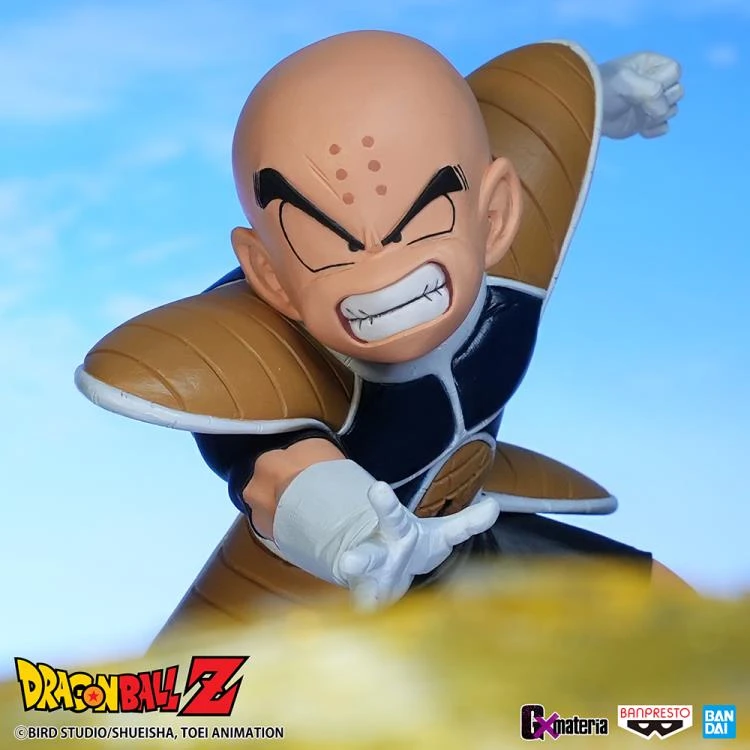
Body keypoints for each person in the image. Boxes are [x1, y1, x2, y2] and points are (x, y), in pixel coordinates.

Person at [75, 32, 689, 637]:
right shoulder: (262, 354)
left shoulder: (513, 261)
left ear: (494, 217)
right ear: (271, 276)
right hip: (319, 598)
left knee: (680, 617)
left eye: (421, 218)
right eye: (323, 242)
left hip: (469, 538)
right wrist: (354, 535)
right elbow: (281, 472)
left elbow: (538, 128)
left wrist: (605, 93)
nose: (379, 271)